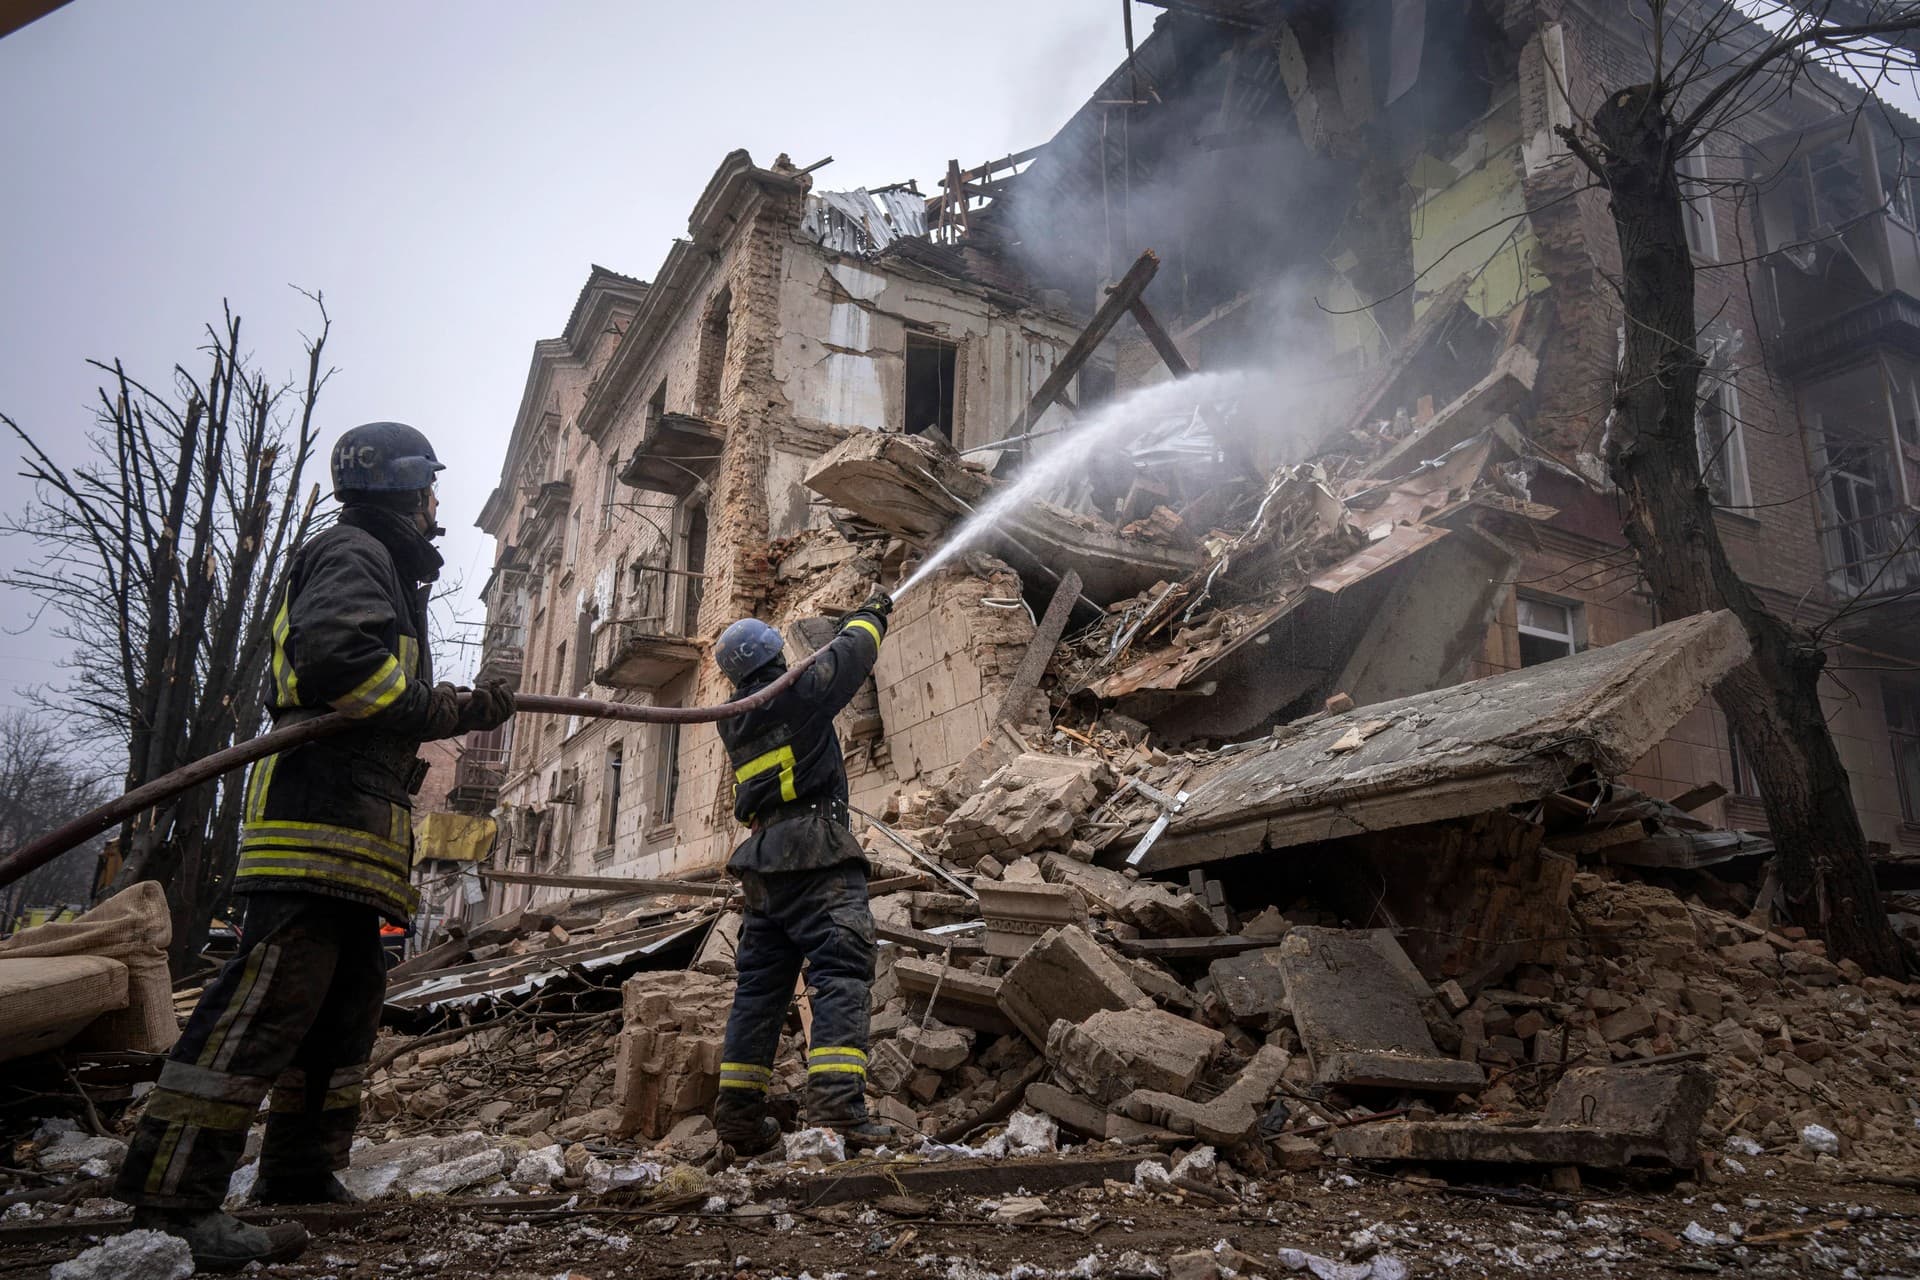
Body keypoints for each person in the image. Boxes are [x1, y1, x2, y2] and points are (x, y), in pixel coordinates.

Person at [111, 422, 515, 1270]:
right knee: (263, 1008)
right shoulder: (354, 551)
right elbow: (340, 662)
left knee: (340, 1017)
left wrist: (452, 709)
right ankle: (174, 1194)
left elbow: (367, 673)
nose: (437, 502)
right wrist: (445, 711)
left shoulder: (383, 566)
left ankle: (298, 1175)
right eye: (432, 486)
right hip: (315, 820)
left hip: (356, 833)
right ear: (409, 489)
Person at [710, 590, 895, 1156]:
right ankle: (837, 1109)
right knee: (840, 970)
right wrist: (869, 614)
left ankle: (738, 1119)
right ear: (773, 657)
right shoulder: (797, 694)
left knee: (761, 990)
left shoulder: (734, 720)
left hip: (764, 865)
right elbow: (854, 655)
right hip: (816, 852)